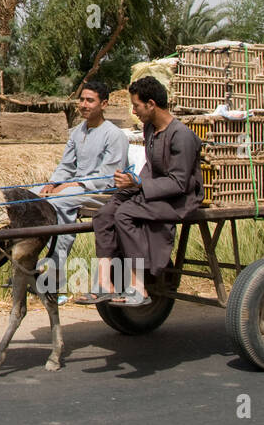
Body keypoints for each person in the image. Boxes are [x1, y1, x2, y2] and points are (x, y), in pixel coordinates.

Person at [81, 75, 203, 307]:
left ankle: (139, 287)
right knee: (105, 214)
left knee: (125, 214)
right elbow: (151, 168)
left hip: (179, 198)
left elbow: (179, 183)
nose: (134, 111)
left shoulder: (182, 136)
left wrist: (139, 185)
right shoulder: (150, 128)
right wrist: (130, 182)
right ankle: (106, 284)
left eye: (136, 105)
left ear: (151, 104)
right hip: (153, 190)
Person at [21, 82, 128, 296]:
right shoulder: (77, 132)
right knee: (31, 195)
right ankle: (24, 265)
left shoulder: (114, 135)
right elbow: (66, 166)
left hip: (102, 192)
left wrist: (74, 185)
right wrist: (52, 183)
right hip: (77, 189)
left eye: (90, 100)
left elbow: (109, 177)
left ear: (104, 104)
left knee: (61, 200)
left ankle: (54, 273)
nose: (84, 104)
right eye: (82, 100)